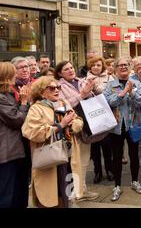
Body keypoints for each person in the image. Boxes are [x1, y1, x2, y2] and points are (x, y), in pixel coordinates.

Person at [22, 77, 83, 208]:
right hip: (49, 159)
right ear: (41, 92)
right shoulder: (36, 108)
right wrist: (60, 125)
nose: (56, 90)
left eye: (58, 87)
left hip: (68, 156)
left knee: (68, 193)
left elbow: (79, 121)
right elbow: (31, 132)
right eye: (52, 88)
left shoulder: (63, 103)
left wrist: (72, 125)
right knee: (49, 196)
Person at [55, 60, 100, 202]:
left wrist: (91, 90)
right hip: (72, 129)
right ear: (60, 73)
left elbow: (91, 98)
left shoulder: (81, 81)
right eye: (66, 69)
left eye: (71, 67)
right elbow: (62, 106)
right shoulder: (58, 86)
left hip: (87, 125)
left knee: (85, 160)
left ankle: (82, 190)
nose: (70, 70)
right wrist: (82, 94)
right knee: (74, 162)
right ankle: (74, 193)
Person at [103, 57, 141, 201]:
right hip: (116, 126)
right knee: (116, 156)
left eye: (125, 65)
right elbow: (108, 103)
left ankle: (135, 181)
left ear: (130, 67)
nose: (123, 67)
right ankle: (117, 186)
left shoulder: (137, 83)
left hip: (133, 124)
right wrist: (123, 92)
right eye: (120, 65)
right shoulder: (110, 85)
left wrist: (132, 92)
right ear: (115, 68)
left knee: (134, 154)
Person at [0, 63, 29, 208]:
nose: (15, 76)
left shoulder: (7, 94)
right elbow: (17, 120)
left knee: (18, 191)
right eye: (13, 73)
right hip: (7, 152)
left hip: (15, 149)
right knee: (7, 195)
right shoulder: (1, 97)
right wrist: (23, 102)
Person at [86, 56, 114, 184]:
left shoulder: (109, 78)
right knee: (95, 147)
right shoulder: (84, 79)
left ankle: (109, 169)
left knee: (107, 145)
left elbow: (112, 94)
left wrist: (96, 89)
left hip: (105, 115)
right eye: (93, 65)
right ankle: (97, 172)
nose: (96, 67)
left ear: (102, 66)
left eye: (98, 65)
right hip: (91, 116)